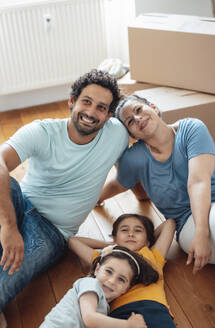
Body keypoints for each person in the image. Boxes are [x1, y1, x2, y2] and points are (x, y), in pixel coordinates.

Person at [0, 69, 129, 327]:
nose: (92, 112)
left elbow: (146, 142)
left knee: (12, 268)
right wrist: (9, 226)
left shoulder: (118, 133)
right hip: (19, 204)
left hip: (53, 231)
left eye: (101, 107)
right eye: (86, 101)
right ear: (72, 100)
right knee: (6, 184)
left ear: (109, 114)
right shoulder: (42, 132)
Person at [98, 94, 215, 274]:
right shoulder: (134, 158)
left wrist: (202, 233)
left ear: (153, 107)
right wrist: (94, 200)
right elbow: (118, 184)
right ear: (132, 134)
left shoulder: (191, 128)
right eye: (130, 121)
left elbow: (198, 182)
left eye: (139, 110)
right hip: (187, 222)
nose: (138, 119)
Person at [69, 213, 176, 327]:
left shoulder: (152, 255)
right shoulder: (107, 258)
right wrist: (112, 244)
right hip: (118, 315)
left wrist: (148, 240)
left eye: (138, 231)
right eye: (124, 230)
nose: (131, 234)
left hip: (154, 310)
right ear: (115, 237)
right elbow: (73, 241)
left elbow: (170, 223)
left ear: (148, 241)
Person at [40, 245, 155, 328]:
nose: (111, 281)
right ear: (97, 269)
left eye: (121, 279)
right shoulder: (90, 283)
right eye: (109, 271)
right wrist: (128, 325)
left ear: (126, 289)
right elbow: (90, 318)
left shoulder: (105, 307)